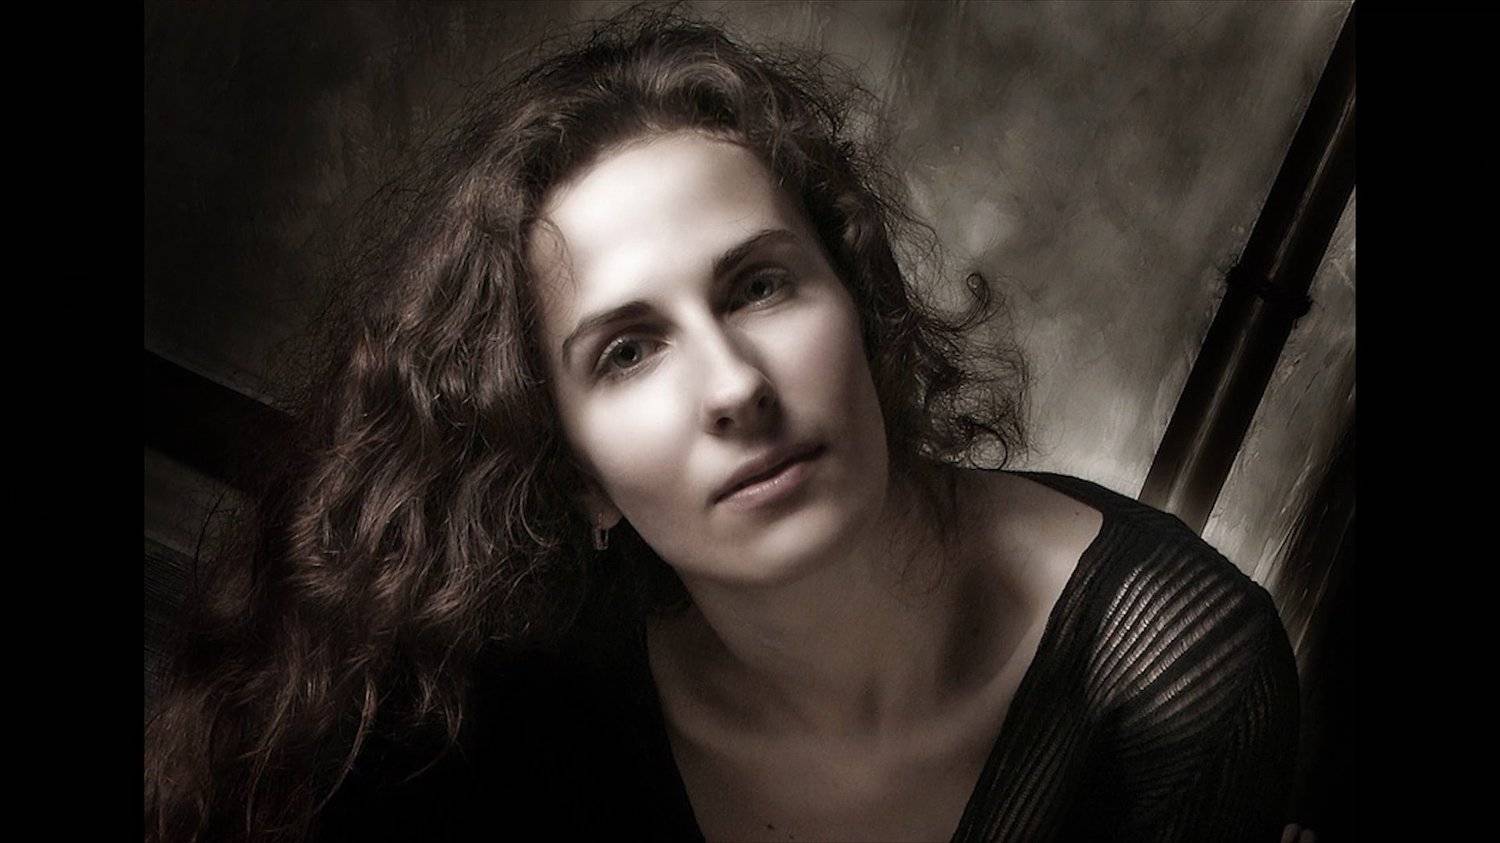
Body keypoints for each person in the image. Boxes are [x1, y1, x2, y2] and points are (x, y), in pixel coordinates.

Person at [144, 10, 1299, 842]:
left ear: (862, 308)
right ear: (578, 473)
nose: (734, 385)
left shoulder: (1174, 685)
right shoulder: (516, 684)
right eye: (627, 351)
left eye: (757, 286)